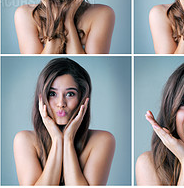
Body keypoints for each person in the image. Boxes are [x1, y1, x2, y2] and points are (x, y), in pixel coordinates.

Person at [14, 57, 115, 185]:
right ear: (41, 98)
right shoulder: (24, 140)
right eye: (52, 94)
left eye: (70, 94)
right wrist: (57, 140)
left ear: (83, 99)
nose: (61, 103)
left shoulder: (103, 140)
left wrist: (68, 140)